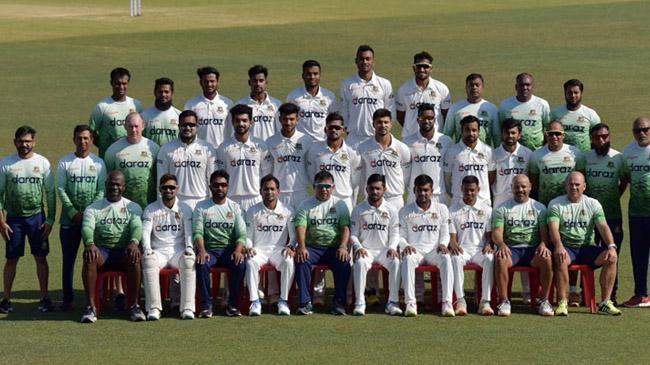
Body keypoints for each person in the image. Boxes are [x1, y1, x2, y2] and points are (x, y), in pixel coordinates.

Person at [547, 172, 621, 316]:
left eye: (577, 184)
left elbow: (603, 226)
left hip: (587, 248)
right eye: (570, 184)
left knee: (612, 257)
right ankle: (563, 302)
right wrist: (559, 246)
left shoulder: (593, 204)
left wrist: (611, 246)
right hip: (567, 247)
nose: (573, 187)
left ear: (584, 187)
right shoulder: (556, 203)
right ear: (565, 186)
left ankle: (605, 302)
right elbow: (553, 228)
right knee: (560, 257)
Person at [0, 126, 56, 313]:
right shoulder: (6, 164)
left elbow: (50, 194)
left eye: (28, 141)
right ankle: (6, 299)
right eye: (21, 141)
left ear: (34, 142)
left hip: (36, 218)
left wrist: (49, 220)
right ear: (15, 142)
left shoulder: (43, 163)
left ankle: (45, 298)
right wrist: (1, 222)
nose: (24, 145)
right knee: (11, 259)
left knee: (40, 258)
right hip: (14, 219)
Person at [79, 171, 144, 323]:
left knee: (135, 255)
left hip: (123, 252)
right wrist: (90, 243)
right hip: (103, 252)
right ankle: (91, 308)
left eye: (118, 184)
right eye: (111, 184)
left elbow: (137, 227)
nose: (114, 187)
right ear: (106, 185)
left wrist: (134, 242)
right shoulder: (93, 208)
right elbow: (87, 227)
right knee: (89, 256)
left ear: (124, 187)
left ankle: (134, 305)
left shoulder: (133, 207)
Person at [56, 125, 106, 311]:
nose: (83, 142)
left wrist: (88, 214)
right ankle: (68, 299)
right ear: (74, 139)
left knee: (94, 259)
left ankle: (94, 297)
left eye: (86, 138)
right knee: (68, 261)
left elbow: (101, 189)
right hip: (69, 221)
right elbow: (61, 189)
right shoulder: (65, 162)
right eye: (79, 138)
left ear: (92, 140)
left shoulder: (99, 163)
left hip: (92, 222)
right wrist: (73, 213)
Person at [492, 174, 554, 317]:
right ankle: (504, 301)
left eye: (523, 186)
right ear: (511, 188)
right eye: (517, 187)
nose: (520, 189)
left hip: (532, 250)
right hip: (512, 249)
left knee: (547, 258)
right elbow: (497, 233)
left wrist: (544, 244)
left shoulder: (540, 208)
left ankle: (544, 300)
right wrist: (501, 244)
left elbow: (545, 234)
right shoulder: (502, 208)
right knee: (500, 258)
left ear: (530, 187)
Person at [294, 171, 351, 315]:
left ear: (333, 187)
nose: (324, 189)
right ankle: (305, 303)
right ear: (314, 187)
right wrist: (301, 247)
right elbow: (300, 226)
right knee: (301, 259)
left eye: (327, 186)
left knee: (344, 262)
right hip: (313, 248)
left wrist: (343, 246)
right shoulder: (305, 205)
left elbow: (345, 227)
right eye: (320, 186)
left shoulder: (340, 204)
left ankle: (339, 303)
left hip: (334, 248)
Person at [193, 170, 247, 318]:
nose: (220, 188)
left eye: (223, 185)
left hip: (228, 250)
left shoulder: (235, 207)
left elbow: (241, 234)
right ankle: (206, 305)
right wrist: (202, 251)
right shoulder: (201, 206)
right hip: (210, 250)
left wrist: (237, 250)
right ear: (210, 187)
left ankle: (233, 305)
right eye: (216, 185)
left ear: (228, 186)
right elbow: (198, 232)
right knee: (201, 263)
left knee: (240, 263)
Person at [141, 174, 195, 320]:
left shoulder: (185, 209)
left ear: (177, 189)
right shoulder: (151, 209)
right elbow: (145, 232)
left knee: (189, 260)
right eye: (165, 188)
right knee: (148, 260)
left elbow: (189, 232)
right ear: (160, 189)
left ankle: (187, 308)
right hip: (159, 251)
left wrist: (189, 248)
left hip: (178, 251)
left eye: (172, 187)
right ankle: (154, 308)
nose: (168, 190)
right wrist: (147, 249)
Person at [584, 123, 627, 305]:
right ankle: (584, 294)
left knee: (612, 255)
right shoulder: (585, 158)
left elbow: (624, 180)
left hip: (612, 216)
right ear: (591, 140)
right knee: (587, 254)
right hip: (589, 218)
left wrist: (615, 196)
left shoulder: (618, 157)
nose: (601, 140)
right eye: (597, 137)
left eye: (605, 136)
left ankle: (611, 296)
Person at [399, 174, 453, 317]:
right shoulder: (405, 211)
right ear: (414, 191)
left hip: (434, 251)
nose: (423, 193)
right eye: (419, 190)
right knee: (408, 258)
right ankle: (411, 303)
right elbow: (401, 236)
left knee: (447, 258)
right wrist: (405, 245)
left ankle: (447, 302)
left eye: (426, 190)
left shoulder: (442, 209)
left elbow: (445, 233)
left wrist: (443, 244)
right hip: (416, 251)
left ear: (432, 191)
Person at [350, 174, 402, 316]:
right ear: (366, 189)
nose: (375, 192)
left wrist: (392, 247)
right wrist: (359, 247)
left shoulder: (391, 209)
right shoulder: (358, 209)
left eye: (378, 188)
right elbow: (353, 234)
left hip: (384, 251)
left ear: (384, 189)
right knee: (360, 263)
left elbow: (395, 233)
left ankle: (392, 302)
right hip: (366, 251)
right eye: (371, 188)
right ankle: (360, 303)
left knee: (396, 262)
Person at [244, 175, 295, 316]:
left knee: (289, 262)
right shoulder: (252, 211)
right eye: (266, 189)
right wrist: (249, 247)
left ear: (278, 191)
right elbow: (248, 236)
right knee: (250, 262)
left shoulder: (288, 210)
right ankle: (255, 302)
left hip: (278, 250)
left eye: (272, 189)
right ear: (260, 191)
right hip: (259, 250)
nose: (269, 192)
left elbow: (294, 235)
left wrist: (290, 246)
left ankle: (283, 301)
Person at [448, 176, 494, 316]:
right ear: (461, 189)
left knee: (490, 259)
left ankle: (485, 302)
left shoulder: (487, 209)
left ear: (478, 190)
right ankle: (461, 301)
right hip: (463, 250)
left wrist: (488, 243)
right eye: (466, 190)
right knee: (455, 259)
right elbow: (452, 237)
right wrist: (453, 243)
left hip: (479, 249)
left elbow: (489, 235)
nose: (469, 193)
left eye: (472, 190)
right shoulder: (453, 210)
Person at [215, 104, 272, 212]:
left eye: (244, 120)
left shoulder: (261, 146)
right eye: (237, 120)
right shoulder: (224, 148)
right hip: (231, 199)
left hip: (255, 198)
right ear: (232, 122)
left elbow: (266, 175)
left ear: (251, 122)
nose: (241, 124)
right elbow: (220, 177)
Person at [156, 110, 217, 209]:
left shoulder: (207, 148)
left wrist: (212, 205)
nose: (188, 128)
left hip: (201, 200)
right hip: (176, 202)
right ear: (179, 126)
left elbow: (212, 179)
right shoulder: (166, 149)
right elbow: (161, 180)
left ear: (197, 126)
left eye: (191, 125)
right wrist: (162, 205)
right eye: (184, 125)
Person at [340, 44, 394, 147]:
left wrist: (383, 132)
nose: (365, 62)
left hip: (377, 137)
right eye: (361, 59)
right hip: (354, 139)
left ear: (373, 61)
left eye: (368, 59)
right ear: (356, 61)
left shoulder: (384, 83)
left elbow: (390, 111)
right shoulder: (347, 84)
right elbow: (344, 111)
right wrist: (348, 130)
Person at [306, 112, 361, 212]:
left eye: (337, 127)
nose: (334, 130)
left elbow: (355, 181)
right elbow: (312, 175)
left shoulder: (352, 152)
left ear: (343, 130)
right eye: (330, 127)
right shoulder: (314, 150)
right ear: (325, 129)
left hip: (344, 201)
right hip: (322, 201)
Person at [358, 108, 411, 211]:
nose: (383, 125)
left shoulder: (402, 148)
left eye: (386, 122)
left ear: (391, 124)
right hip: (372, 198)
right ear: (373, 124)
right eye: (379, 122)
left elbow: (406, 175)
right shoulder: (363, 148)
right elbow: (362, 175)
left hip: (395, 199)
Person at [621, 116, 650, 307]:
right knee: (638, 255)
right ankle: (641, 294)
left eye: (646, 129)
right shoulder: (628, 152)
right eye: (638, 130)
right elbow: (624, 180)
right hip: (637, 213)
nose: (642, 133)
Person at [104, 112, 159, 209]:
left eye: (136, 126)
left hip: (148, 205)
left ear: (143, 126)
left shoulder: (154, 148)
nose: (133, 130)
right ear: (125, 126)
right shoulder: (113, 150)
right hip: (122, 207)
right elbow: (108, 179)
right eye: (130, 126)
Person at [403, 103, 453, 204]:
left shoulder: (446, 141)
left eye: (430, 118)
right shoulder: (407, 142)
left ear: (435, 119)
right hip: (415, 196)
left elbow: (450, 170)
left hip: (438, 196)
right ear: (417, 120)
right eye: (423, 118)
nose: (426, 121)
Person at [89, 67, 143, 158]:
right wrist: (106, 146)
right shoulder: (102, 107)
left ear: (128, 83)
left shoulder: (136, 105)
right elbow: (91, 132)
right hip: (109, 158)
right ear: (111, 83)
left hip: (132, 157)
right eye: (117, 83)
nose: (121, 87)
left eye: (124, 83)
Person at [266, 102, 313, 210]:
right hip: (279, 193)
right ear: (280, 119)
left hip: (301, 192)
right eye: (285, 119)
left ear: (297, 119)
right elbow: (267, 169)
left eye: (292, 119)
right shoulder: (270, 142)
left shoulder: (306, 140)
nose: (288, 122)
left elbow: (311, 166)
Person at [396, 51, 451, 138]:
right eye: (419, 66)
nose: (422, 69)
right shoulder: (403, 90)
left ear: (431, 69)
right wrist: (411, 130)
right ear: (414, 68)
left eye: (425, 66)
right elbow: (400, 116)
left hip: (435, 139)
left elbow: (447, 116)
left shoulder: (441, 88)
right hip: (410, 140)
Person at [528, 121, 585, 205]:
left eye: (557, 133)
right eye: (550, 134)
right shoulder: (536, 155)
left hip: (570, 203)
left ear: (563, 135)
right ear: (546, 135)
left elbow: (582, 178)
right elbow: (534, 183)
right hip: (546, 204)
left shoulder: (576, 153)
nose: (554, 137)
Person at [444, 115, 493, 205]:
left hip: (483, 202)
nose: (471, 133)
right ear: (461, 131)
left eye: (474, 130)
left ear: (479, 131)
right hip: (458, 203)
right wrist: (456, 194)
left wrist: (483, 194)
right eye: (467, 130)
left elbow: (492, 177)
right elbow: (446, 179)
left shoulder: (488, 150)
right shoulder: (452, 151)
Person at [286, 60, 338, 142]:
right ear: (303, 76)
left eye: (315, 74)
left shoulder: (330, 97)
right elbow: (288, 121)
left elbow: (334, 122)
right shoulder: (293, 96)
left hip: (322, 143)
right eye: (308, 74)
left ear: (320, 75)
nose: (312, 77)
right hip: (300, 143)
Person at [183, 66, 234, 148]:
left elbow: (232, 129)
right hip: (199, 150)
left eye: (212, 81)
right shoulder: (191, 104)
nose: (209, 84)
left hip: (221, 150)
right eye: (206, 81)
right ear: (200, 82)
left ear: (217, 82)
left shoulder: (228, 103)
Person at [498, 73, 551, 150]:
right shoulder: (505, 105)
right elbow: (501, 128)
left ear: (532, 87)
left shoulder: (542, 104)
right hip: (513, 152)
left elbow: (548, 128)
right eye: (521, 85)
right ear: (516, 87)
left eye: (528, 85)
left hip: (536, 151)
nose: (525, 87)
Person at [444, 73, 499, 147]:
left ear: (482, 87)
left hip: (484, 154)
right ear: (466, 88)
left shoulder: (492, 109)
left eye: (477, 85)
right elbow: (447, 134)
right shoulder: (455, 108)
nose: (474, 87)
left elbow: (497, 136)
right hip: (461, 153)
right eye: (471, 85)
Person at [489, 118, 533, 209]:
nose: (510, 135)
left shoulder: (528, 154)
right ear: (502, 134)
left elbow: (531, 179)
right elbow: (490, 180)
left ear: (519, 135)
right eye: (507, 133)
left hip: (521, 200)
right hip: (500, 201)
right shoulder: (493, 154)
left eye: (513, 133)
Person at [551, 79, 601, 152]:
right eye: (570, 92)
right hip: (562, 157)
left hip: (584, 157)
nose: (573, 95)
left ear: (581, 93)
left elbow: (598, 137)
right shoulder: (555, 113)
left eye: (576, 92)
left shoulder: (591, 114)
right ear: (565, 93)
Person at [236, 65, 282, 141]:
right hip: (250, 150)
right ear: (249, 82)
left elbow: (280, 130)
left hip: (271, 149)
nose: (258, 84)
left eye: (261, 80)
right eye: (254, 80)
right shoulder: (240, 105)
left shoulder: (276, 104)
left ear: (266, 82)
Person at [142, 77, 182, 146]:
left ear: (172, 93)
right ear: (155, 92)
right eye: (160, 92)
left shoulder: (179, 115)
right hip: (152, 156)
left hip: (172, 156)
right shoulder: (144, 116)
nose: (163, 95)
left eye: (166, 92)